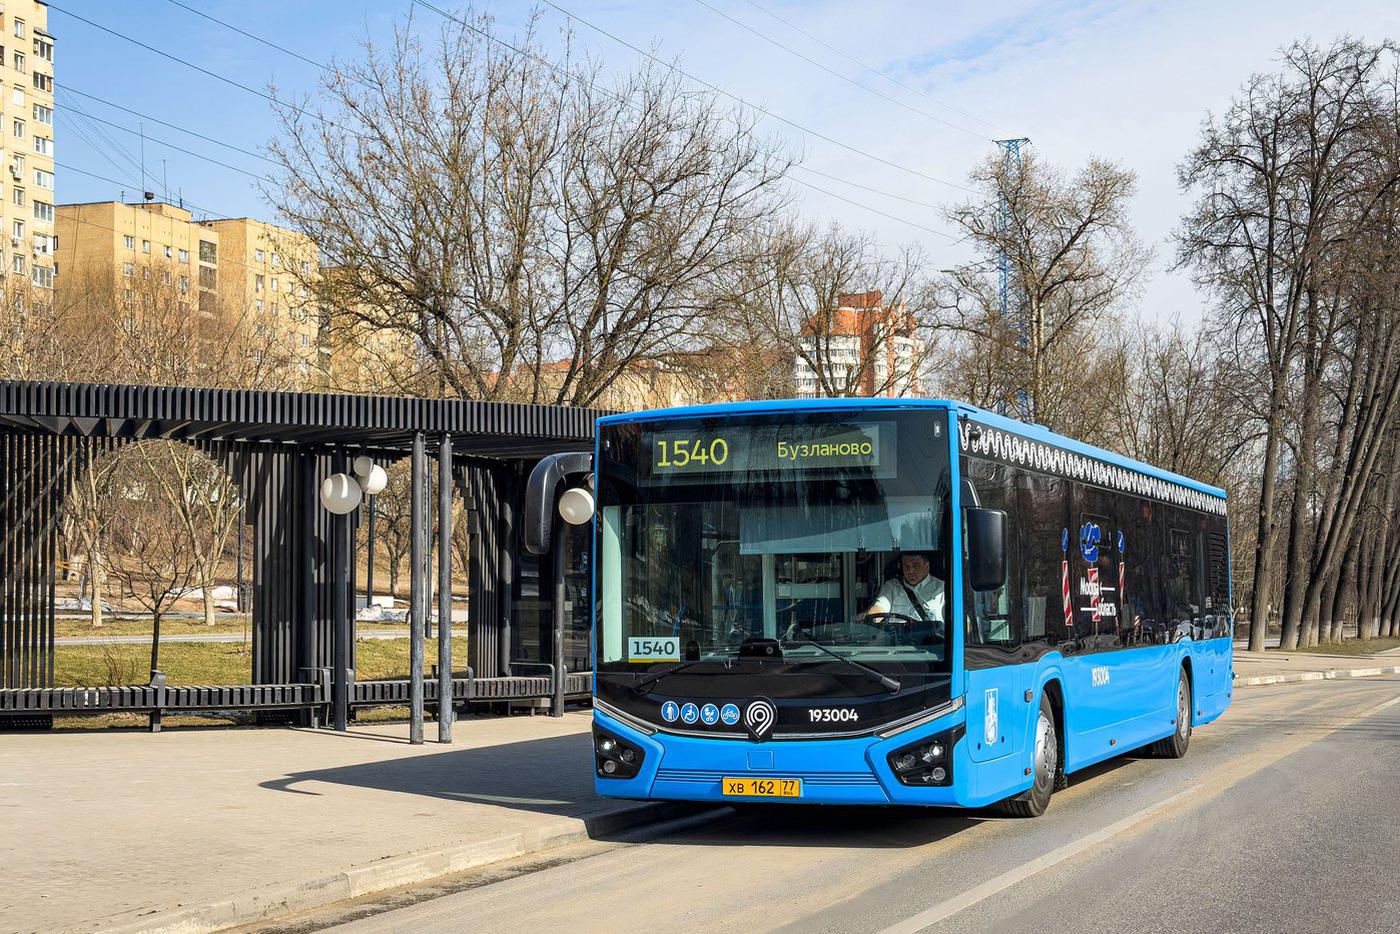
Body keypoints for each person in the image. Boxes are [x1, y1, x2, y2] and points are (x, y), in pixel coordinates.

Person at [862, 551, 944, 639]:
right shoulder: (891, 587)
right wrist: (866, 616)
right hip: (897, 645)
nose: (910, 571)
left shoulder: (942, 589)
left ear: (927, 567)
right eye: (906, 566)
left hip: (929, 646)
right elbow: (878, 609)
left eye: (916, 566)